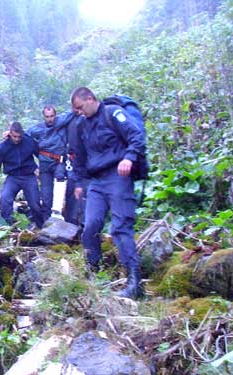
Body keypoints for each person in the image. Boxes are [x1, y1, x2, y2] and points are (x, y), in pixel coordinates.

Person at [70, 87, 146, 299]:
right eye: (76, 109)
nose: (79, 112)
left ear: (91, 99)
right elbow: (79, 155)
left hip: (118, 176)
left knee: (120, 228)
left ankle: (134, 281)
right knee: (90, 225)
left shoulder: (113, 113)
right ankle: (94, 276)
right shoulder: (81, 125)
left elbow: (136, 136)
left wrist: (129, 158)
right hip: (96, 181)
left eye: (80, 107)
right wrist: (78, 182)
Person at [0, 122, 44, 229]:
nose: (17, 139)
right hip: (13, 177)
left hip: (29, 176)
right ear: (9, 134)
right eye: (14, 136)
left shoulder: (29, 142)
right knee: (5, 198)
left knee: (35, 204)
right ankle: (7, 225)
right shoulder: (2, 147)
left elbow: (41, 155)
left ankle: (40, 226)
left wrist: (44, 170)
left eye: (19, 136)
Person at [25, 106, 71, 222]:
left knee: (60, 181)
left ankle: (59, 214)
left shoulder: (62, 121)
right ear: (44, 116)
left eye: (52, 116)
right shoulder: (38, 128)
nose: (50, 119)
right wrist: (8, 133)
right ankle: (46, 221)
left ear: (55, 115)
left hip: (59, 161)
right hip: (45, 163)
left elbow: (76, 111)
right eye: (47, 117)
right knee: (46, 195)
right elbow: (24, 135)